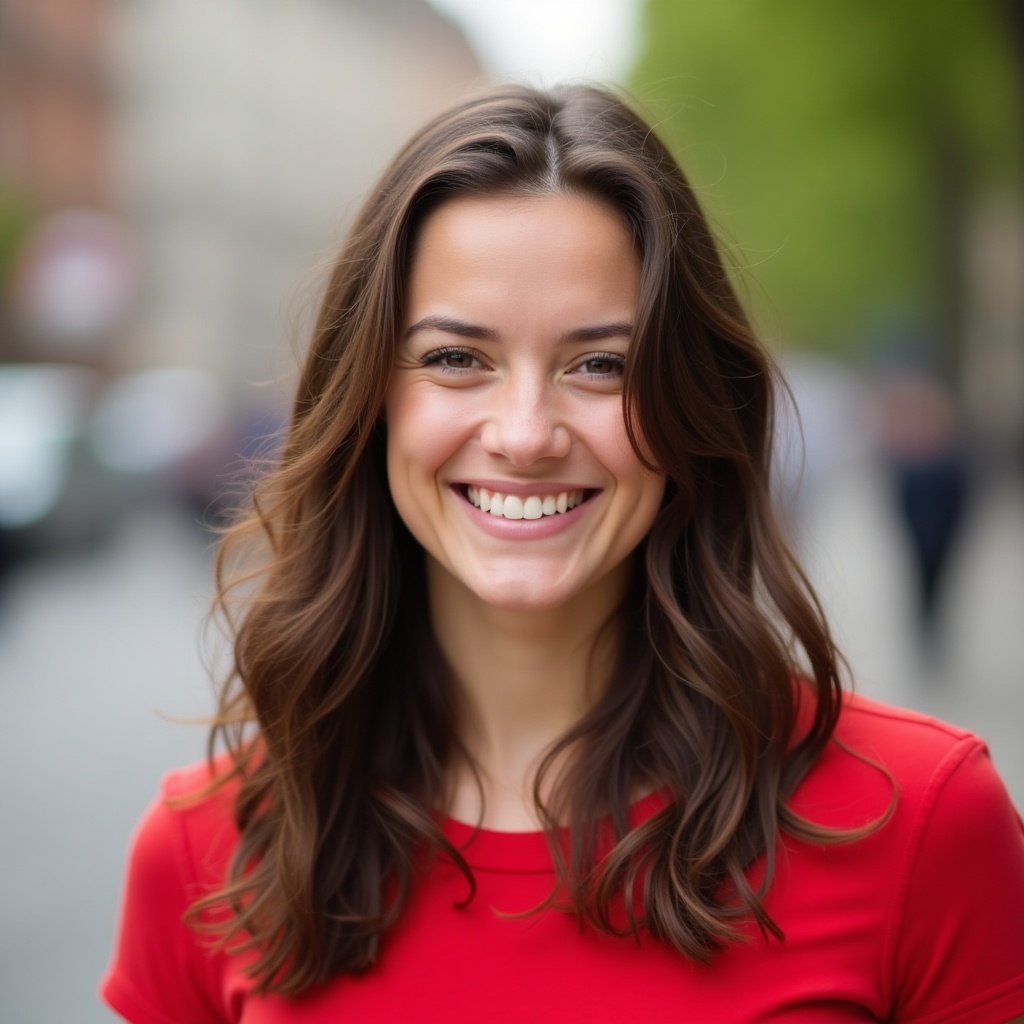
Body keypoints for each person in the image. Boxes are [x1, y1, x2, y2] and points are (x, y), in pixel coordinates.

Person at [101, 83, 1024, 1023]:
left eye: (601, 365)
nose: (527, 432)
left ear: (688, 410)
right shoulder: (204, 850)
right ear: (370, 399)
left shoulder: (920, 824)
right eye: (457, 358)